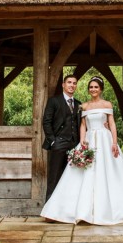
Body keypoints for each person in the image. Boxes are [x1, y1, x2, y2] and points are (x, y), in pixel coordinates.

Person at [40, 75, 123, 224]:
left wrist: (115, 142)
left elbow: (112, 124)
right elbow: (82, 125)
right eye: (91, 87)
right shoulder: (83, 106)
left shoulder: (107, 104)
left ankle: (107, 210)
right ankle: (55, 211)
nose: (93, 89)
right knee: (71, 175)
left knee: (107, 173)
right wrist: (82, 141)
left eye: (96, 87)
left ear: (101, 89)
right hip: (87, 141)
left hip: (105, 140)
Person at [42, 74, 82, 202]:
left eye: (74, 83)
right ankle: (49, 209)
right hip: (58, 143)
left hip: (74, 145)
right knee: (55, 176)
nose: (72, 85)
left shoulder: (78, 104)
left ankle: (67, 207)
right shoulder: (54, 101)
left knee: (72, 177)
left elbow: (81, 124)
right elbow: (46, 122)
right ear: (63, 85)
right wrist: (53, 140)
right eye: (69, 82)